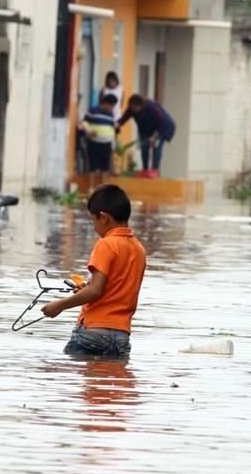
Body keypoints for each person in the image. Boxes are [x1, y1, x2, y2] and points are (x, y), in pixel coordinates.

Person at [42, 184, 147, 359]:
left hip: (93, 333)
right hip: (121, 336)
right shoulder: (139, 249)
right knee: (112, 384)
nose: (94, 226)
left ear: (103, 217)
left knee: (81, 382)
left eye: (93, 220)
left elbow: (95, 291)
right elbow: (115, 287)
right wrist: (87, 287)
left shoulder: (106, 244)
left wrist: (59, 305)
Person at [116, 94, 176, 178]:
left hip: (163, 127)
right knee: (144, 146)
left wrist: (155, 136)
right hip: (146, 129)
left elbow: (162, 121)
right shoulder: (131, 109)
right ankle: (145, 169)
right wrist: (117, 124)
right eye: (132, 108)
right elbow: (124, 118)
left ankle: (155, 170)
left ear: (141, 106)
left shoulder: (152, 107)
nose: (134, 110)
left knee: (156, 146)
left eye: (135, 108)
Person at [81, 94, 118, 181]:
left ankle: (103, 188)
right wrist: (89, 131)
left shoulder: (111, 114)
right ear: (105, 103)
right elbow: (85, 123)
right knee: (93, 165)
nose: (112, 108)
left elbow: (112, 127)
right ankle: (91, 188)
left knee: (105, 167)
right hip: (94, 141)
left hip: (106, 142)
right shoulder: (93, 111)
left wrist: (113, 140)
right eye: (111, 106)